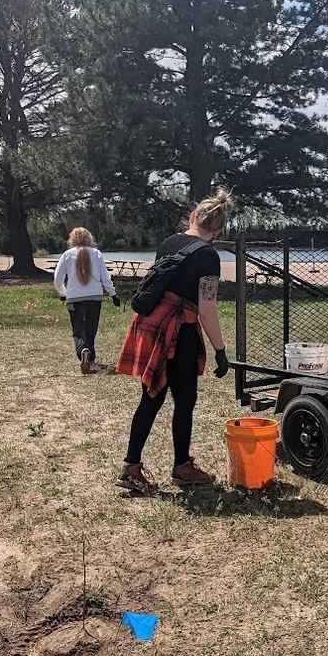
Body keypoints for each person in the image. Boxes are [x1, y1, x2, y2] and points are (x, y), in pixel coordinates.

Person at [115, 189, 234, 491]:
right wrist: (220, 350)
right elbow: (206, 310)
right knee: (185, 400)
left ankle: (131, 466)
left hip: (154, 328)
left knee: (151, 398)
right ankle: (181, 467)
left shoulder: (168, 243)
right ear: (218, 230)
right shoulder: (208, 256)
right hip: (179, 333)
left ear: (193, 217)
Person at [53, 227, 119, 374]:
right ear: (90, 239)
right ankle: (90, 358)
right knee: (91, 329)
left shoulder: (66, 255)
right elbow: (105, 278)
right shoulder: (96, 254)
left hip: (75, 298)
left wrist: (64, 292)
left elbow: (58, 279)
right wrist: (113, 295)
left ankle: (83, 350)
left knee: (78, 330)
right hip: (95, 297)